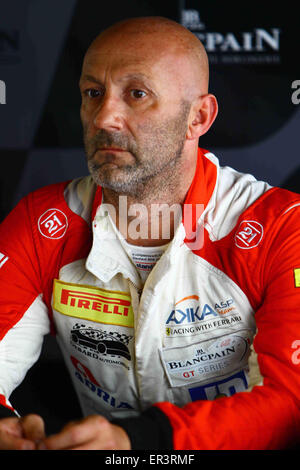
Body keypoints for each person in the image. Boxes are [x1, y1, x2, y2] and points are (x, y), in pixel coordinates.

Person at [0, 16, 299, 451]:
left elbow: (290, 401)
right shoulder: (43, 222)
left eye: (137, 94)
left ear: (199, 116)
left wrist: (139, 443)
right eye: (92, 93)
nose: (105, 117)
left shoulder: (281, 226)